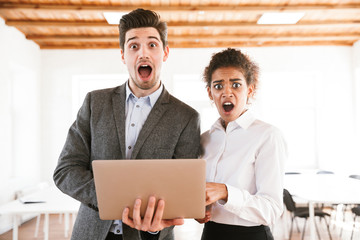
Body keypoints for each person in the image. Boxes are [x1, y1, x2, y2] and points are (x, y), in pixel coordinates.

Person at [53, 8, 201, 240]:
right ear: (123, 55)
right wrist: (113, 197)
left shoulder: (187, 117)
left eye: (152, 45)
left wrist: (155, 224)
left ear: (165, 52)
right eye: (133, 46)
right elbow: (65, 171)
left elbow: (181, 191)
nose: (143, 53)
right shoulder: (95, 103)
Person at [197, 48, 287, 240]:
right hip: (210, 233)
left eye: (236, 85)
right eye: (218, 86)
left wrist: (226, 192)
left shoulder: (268, 136)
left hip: (251, 235)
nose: (226, 93)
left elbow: (272, 209)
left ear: (250, 89)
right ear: (210, 92)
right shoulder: (204, 139)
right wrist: (198, 209)